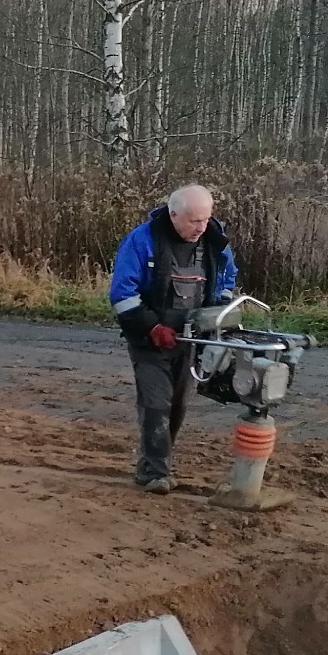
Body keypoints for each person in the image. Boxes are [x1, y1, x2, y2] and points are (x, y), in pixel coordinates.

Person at [108, 184, 238, 493]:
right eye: (194, 221)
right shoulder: (142, 240)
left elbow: (227, 280)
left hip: (192, 339)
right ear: (174, 214)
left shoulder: (216, 243)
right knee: (156, 404)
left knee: (178, 405)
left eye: (205, 219)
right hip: (149, 339)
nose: (201, 227)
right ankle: (155, 473)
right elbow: (122, 294)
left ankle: (155, 460)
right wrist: (152, 327)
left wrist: (217, 315)